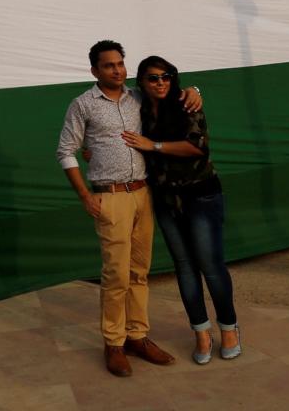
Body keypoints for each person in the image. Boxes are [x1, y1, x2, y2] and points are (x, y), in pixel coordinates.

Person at [56, 40, 201, 377]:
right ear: (95, 70)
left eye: (120, 64)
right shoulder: (83, 105)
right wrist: (85, 196)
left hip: (143, 194)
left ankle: (138, 335)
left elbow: (170, 88)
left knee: (140, 271)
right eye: (109, 65)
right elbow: (66, 151)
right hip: (111, 198)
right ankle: (114, 343)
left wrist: (196, 89)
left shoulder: (139, 96)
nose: (117, 70)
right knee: (116, 275)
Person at [122, 56, 241, 364]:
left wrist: (154, 146)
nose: (160, 82)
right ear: (142, 82)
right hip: (164, 199)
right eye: (152, 78)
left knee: (210, 266)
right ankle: (201, 333)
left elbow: (198, 147)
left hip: (201, 197)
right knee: (184, 267)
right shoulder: (139, 106)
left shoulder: (187, 103)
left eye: (166, 76)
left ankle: (229, 328)